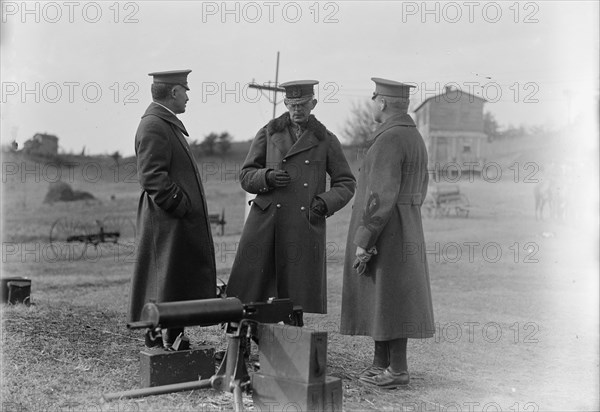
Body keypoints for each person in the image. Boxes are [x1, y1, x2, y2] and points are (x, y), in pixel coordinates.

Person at [226, 80, 356, 315]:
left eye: (303, 104)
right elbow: (246, 176)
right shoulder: (268, 132)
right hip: (266, 222)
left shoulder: (326, 139)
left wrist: (324, 203)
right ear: (285, 103)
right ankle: (251, 335)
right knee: (254, 291)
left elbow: (346, 183)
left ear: (313, 103)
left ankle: (292, 337)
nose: (297, 110)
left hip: (304, 221)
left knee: (297, 296)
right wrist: (267, 177)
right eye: (293, 105)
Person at [340, 78, 435, 388]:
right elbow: (421, 187)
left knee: (391, 298)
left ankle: (397, 370)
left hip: (386, 227)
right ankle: (381, 364)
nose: (372, 103)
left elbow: (379, 195)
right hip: (405, 223)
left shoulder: (389, 139)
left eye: (374, 99)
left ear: (381, 102)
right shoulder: (413, 137)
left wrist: (364, 241)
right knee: (386, 297)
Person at [128, 70, 217, 349]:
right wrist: (181, 205)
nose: (189, 96)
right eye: (185, 90)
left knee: (173, 280)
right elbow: (152, 177)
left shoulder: (164, 122)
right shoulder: (155, 124)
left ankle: (175, 338)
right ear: (174, 92)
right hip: (165, 220)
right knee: (160, 282)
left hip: (172, 221)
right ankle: (154, 343)